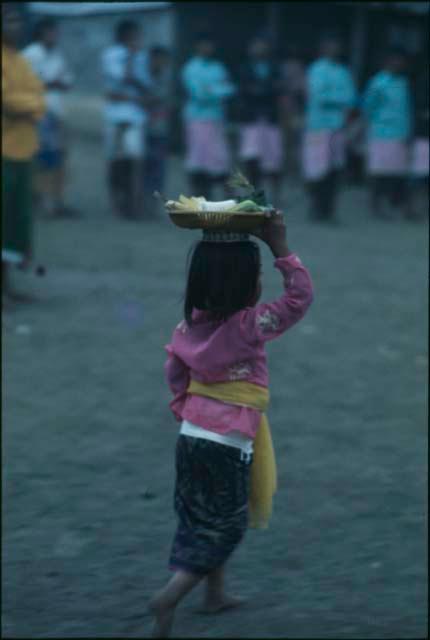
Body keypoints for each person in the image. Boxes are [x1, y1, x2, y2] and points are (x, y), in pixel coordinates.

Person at [149, 211, 314, 637]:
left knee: (198, 516)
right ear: (251, 285)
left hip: (191, 435)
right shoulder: (250, 324)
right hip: (228, 441)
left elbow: (175, 371)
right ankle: (168, 597)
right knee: (225, 526)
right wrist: (280, 247)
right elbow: (299, 299)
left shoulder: (191, 323)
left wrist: (187, 410)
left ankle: (214, 594)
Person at [2, 4, 45, 303]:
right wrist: (30, 104)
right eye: (9, 21)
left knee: (16, 222)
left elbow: (39, 97)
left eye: (18, 21)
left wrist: (30, 105)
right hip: (3, 151)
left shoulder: (20, 60)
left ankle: (6, 286)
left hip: (23, 150)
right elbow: (8, 100)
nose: (15, 27)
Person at [23, 18, 76, 219]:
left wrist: (52, 83)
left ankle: (57, 200)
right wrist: (50, 83)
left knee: (61, 157)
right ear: (41, 33)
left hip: (58, 110)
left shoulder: (57, 55)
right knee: (44, 158)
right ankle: (42, 201)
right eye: (51, 32)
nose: (55, 36)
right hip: (38, 111)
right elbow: (29, 84)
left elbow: (67, 81)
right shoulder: (30, 54)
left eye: (56, 32)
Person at [302, 34, 356, 222]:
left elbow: (351, 98)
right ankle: (315, 208)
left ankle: (329, 210)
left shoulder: (343, 71)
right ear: (323, 47)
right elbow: (319, 96)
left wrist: (335, 97)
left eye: (337, 45)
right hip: (318, 126)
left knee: (334, 169)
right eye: (330, 45)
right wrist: (338, 98)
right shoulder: (317, 69)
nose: (334, 49)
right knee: (317, 170)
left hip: (337, 127)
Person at [101, 20, 150, 219]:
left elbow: (146, 83)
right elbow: (123, 78)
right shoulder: (111, 55)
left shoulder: (142, 56)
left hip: (135, 115)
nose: (137, 40)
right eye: (134, 36)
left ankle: (133, 203)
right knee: (115, 161)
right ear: (125, 36)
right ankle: (115, 203)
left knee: (135, 160)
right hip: (115, 116)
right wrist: (130, 56)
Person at [182, 33, 236, 199]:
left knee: (221, 159)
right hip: (197, 119)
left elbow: (230, 89)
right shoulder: (191, 68)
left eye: (210, 45)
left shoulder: (219, 67)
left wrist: (211, 90)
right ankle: (199, 200)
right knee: (199, 159)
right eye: (204, 45)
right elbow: (199, 94)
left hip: (217, 119)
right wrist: (217, 91)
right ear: (197, 47)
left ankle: (229, 203)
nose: (207, 48)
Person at [362, 47, 413, 220]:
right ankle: (374, 205)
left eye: (401, 61)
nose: (398, 64)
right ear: (387, 61)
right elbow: (368, 108)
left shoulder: (403, 83)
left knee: (395, 173)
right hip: (381, 132)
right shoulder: (378, 82)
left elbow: (406, 109)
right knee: (378, 172)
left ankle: (390, 205)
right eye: (394, 60)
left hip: (400, 133)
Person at [238, 36, 284, 204]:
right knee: (251, 158)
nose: (259, 49)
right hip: (251, 118)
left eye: (262, 45)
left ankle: (276, 195)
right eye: (256, 45)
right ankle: (252, 193)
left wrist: (260, 91)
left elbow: (278, 89)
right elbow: (244, 90)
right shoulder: (245, 68)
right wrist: (265, 90)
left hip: (270, 118)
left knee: (273, 159)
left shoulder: (275, 68)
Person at [143, 46, 171, 211]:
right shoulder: (144, 78)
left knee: (158, 169)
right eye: (157, 59)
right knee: (144, 167)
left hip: (160, 129)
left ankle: (152, 204)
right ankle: (141, 202)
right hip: (144, 129)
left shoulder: (167, 80)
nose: (161, 63)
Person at [279, 44, 306, 178]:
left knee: (295, 143)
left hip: (296, 110)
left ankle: (294, 172)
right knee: (284, 143)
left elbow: (302, 88)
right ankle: (284, 171)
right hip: (284, 110)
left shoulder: (299, 68)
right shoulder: (283, 67)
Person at [409, 65, 429, 219]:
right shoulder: (424, 82)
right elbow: (420, 109)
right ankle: (413, 208)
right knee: (419, 175)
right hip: (424, 136)